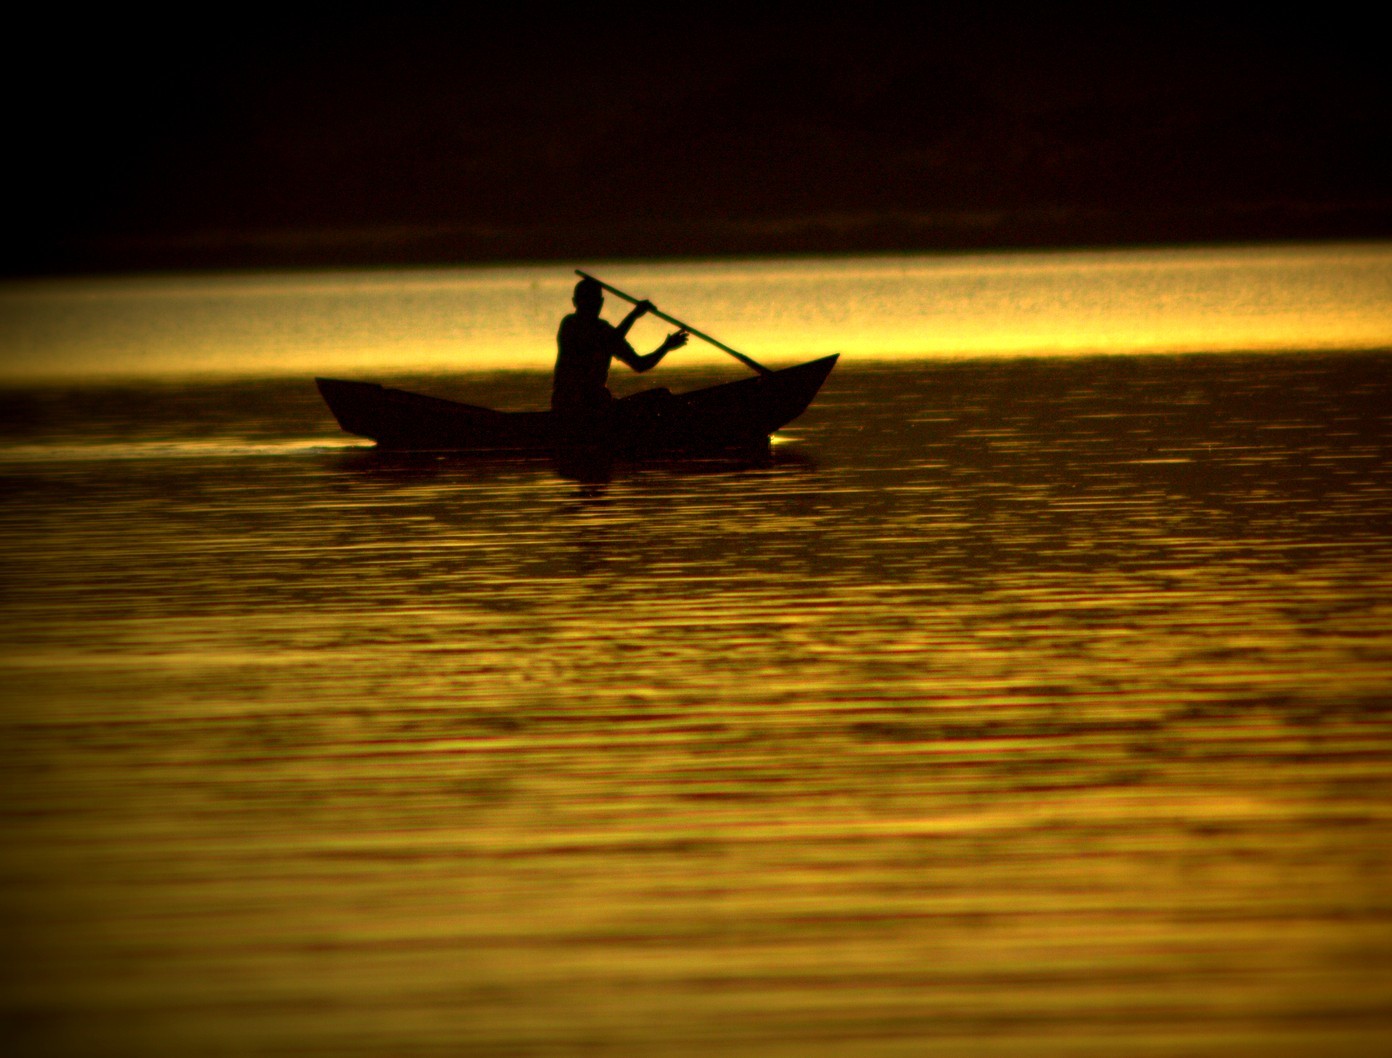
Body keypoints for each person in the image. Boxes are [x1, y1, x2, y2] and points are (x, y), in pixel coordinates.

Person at [551, 276, 688, 413]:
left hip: (599, 404)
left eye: (594, 301)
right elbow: (607, 341)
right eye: (587, 301)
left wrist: (666, 347)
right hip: (572, 404)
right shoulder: (570, 325)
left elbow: (639, 364)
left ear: (601, 302)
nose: (592, 305)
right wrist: (633, 315)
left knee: (661, 395)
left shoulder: (605, 331)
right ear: (576, 302)